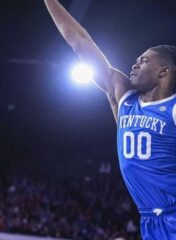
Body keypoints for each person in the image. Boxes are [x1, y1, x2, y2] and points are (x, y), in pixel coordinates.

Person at [43, 0, 176, 239]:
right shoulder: (124, 98)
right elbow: (80, 42)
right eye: (137, 58)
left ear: (164, 72)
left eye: (145, 60)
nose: (135, 63)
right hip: (150, 219)